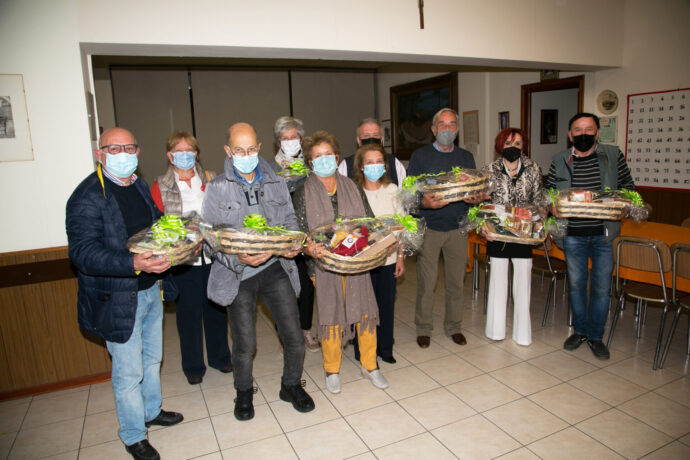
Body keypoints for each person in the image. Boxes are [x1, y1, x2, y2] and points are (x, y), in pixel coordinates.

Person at [66, 127, 183, 460]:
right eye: (114, 149)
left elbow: (154, 223)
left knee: (151, 359)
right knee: (128, 371)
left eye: (129, 147)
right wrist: (134, 262)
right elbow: (82, 253)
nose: (123, 154)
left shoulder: (139, 184)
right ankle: (133, 435)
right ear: (99, 154)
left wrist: (177, 233)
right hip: (117, 297)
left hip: (150, 289)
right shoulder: (87, 196)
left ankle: (151, 411)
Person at [201, 122, 315, 421]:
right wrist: (238, 257)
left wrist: (291, 244)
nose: (246, 155)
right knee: (245, 343)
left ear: (260, 147)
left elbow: (290, 221)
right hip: (239, 275)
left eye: (251, 149)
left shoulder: (276, 182)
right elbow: (211, 240)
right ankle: (243, 392)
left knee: (293, 335)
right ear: (228, 151)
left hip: (276, 268)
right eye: (239, 150)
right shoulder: (216, 188)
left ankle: (290, 385)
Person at [293, 130, 389, 393]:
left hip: (356, 262)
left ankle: (370, 365)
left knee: (365, 311)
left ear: (337, 157)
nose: (324, 160)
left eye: (328, 155)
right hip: (323, 266)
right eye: (317, 156)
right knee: (331, 314)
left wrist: (378, 237)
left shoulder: (352, 186)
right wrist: (308, 248)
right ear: (310, 163)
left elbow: (368, 220)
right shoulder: (303, 192)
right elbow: (300, 232)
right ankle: (331, 368)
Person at [546, 112, 635, 360]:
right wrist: (551, 206)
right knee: (575, 286)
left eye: (588, 130)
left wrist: (627, 204)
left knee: (602, 288)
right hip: (572, 234)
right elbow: (550, 193)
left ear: (597, 133)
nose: (583, 134)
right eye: (578, 130)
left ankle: (596, 336)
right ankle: (580, 331)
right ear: (569, 134)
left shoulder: (613, 156)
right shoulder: (559, 159)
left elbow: (628, 189)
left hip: (603, 234)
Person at [150, 131, 232, 385]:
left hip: (212, 255)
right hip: (184, 260)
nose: (185, 155)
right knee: (188, 314)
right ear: (169, 155)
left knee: (216, 308)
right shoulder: (159, 186)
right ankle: (193, 365)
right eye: (179, 150)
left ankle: (220, 357)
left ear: (197, 153)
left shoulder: (209, 179)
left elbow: (222, 212)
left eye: (190, 150)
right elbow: (158, 225)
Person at [407, 108, 483, 348]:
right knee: (427, 284)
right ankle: (423, 328)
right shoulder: (420, 156)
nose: (447, 129)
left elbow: (474, 189)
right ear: (433, 129)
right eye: (442, 125)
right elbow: (409, 195)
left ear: (457, 130)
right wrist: (423, 202)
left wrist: (476, 198)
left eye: (452, 125)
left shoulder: (466, 157)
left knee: (456, 283)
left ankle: (454, 327)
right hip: (430, 228)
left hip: (458, 229)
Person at [483, 128, 543, 346]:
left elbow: (539, 200)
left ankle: (522, 334)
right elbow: (483, 203)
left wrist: (539, 223)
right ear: (500, 145)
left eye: (518, 143)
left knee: (523, 284)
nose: (513, 147)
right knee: (498, 283)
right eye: (508, 143)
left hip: (524, 233)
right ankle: (495, 331)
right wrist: (484, 226)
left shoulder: (533, 168)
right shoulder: (489, 169)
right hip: (498, 232)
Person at [351, 143, 406, 363]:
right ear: (361, 167)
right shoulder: (354, 191)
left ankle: (385, 348)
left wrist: (400, 256)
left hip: (389, 259)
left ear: (385, 165)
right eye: (369, 162)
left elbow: (401, 226)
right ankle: (363, 350)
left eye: (378, 161)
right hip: (363, 261)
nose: (374, 166)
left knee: (386, 305)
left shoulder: (393, 190)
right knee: (364, 307)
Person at [270, 116, 318, 352]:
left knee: (307, 286)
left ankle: (305, 329)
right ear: (278, 142)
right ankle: (285, 335)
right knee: (284, 287)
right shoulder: (270, 169)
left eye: (294, 137)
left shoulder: (310, 166)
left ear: (301, 138)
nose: (290, 141)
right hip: (282, 235)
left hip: (307, 234)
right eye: (284, 138)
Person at [337, 118, 407, 187]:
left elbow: (403, 193)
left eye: (375, 135)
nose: (371, 139)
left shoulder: (394, 163)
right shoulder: (346, 166)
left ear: (381, 139)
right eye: (366, 135)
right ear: (358, 140)